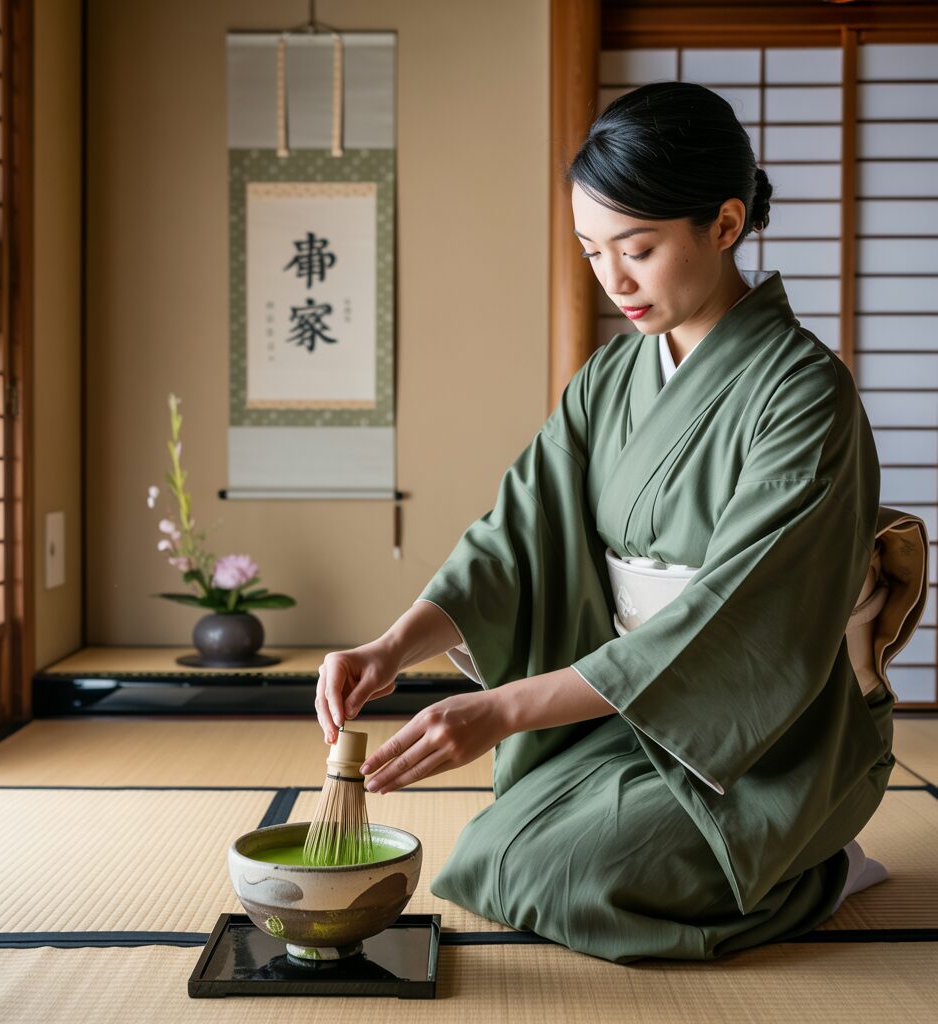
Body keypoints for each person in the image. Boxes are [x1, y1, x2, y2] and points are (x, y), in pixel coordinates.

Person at [314, 81, 896, 963]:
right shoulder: (609, 379)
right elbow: (518, 537)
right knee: (487, 861)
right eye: (592, 251)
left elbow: (735, 619)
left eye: (639, 248)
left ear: (727, 224)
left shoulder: (804, 395)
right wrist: (393, 646)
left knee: (556, 875)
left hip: (755, 734)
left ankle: (818, 863)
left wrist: (502, 710)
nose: (613, 280)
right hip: (622, 703)